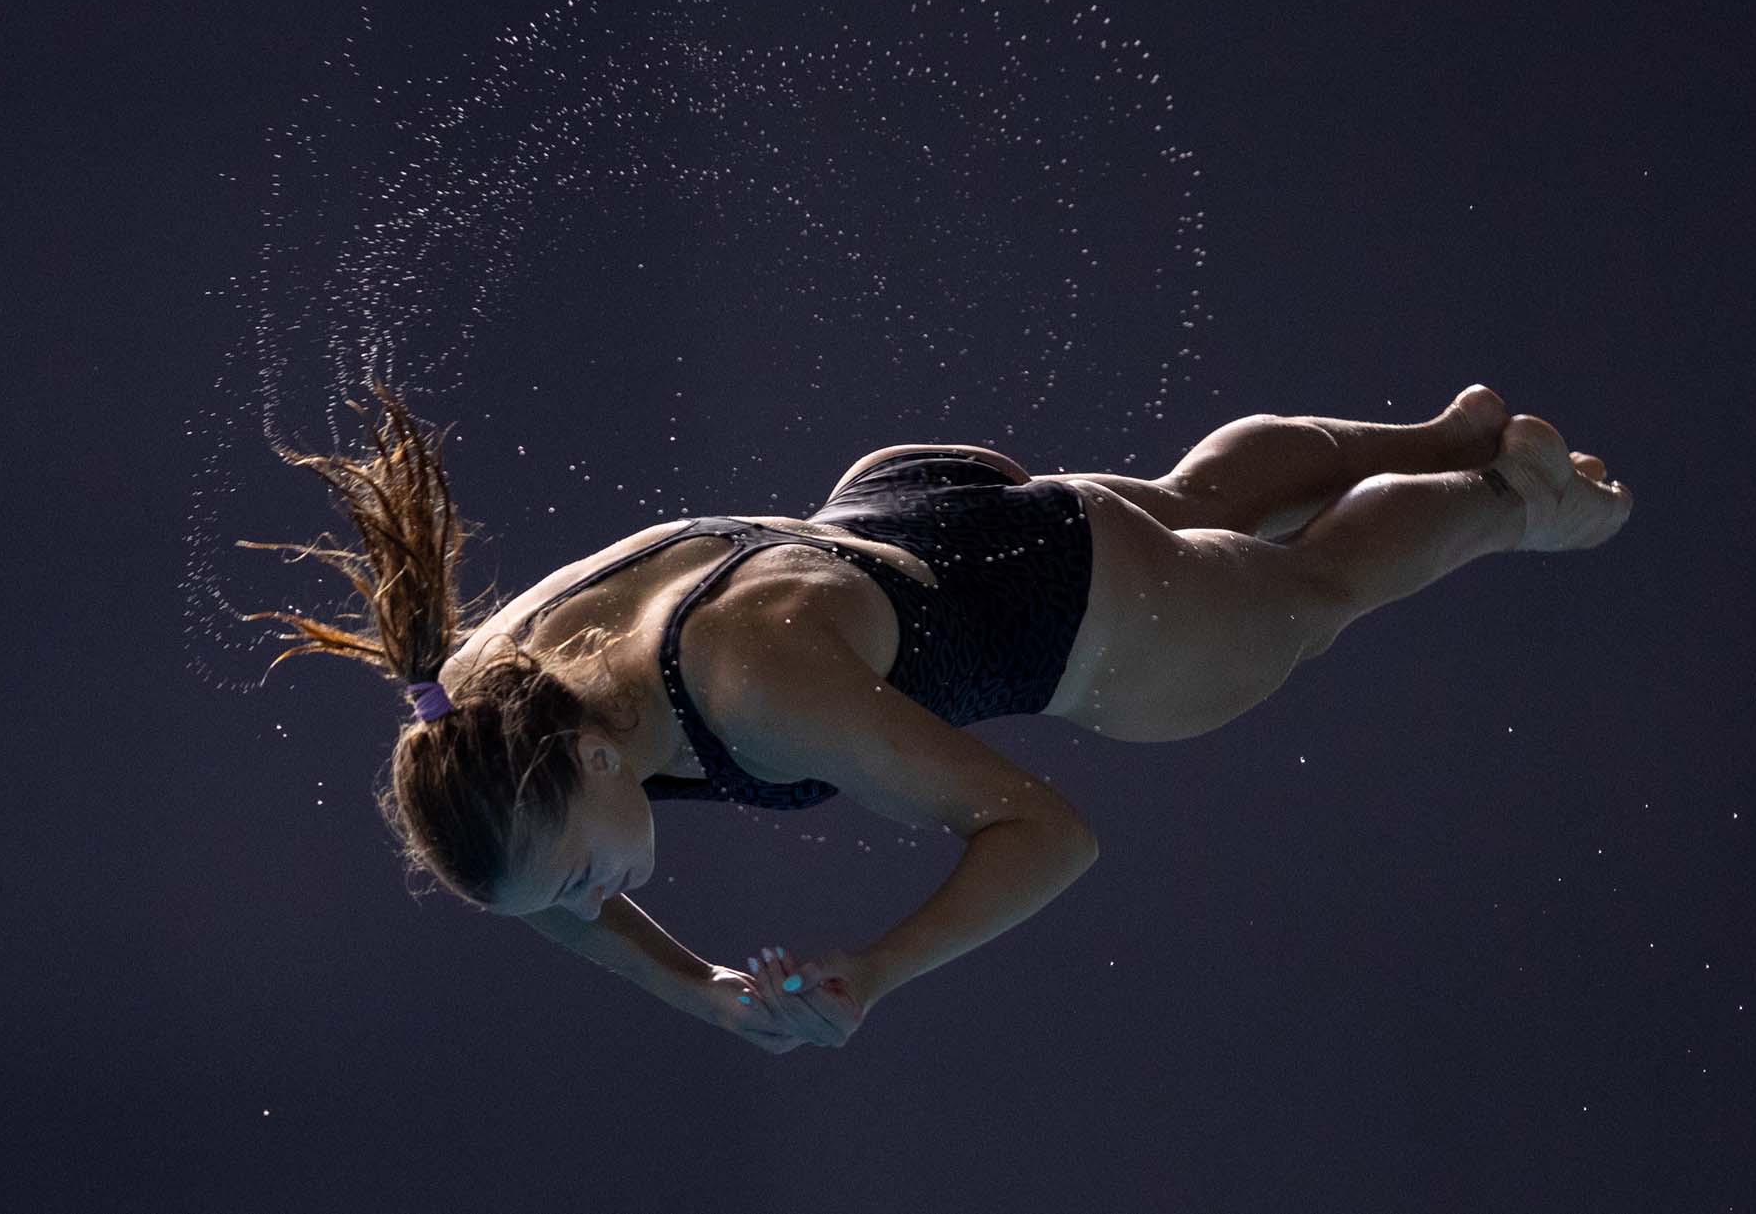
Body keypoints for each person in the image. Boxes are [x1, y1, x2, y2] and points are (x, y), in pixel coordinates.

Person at [241, 379, 1631, 1053]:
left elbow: (1045, 829)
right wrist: (700, 992)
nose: (599, 892)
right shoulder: (480, 696)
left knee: (1311, 587)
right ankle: (1450, 428)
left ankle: (1520, 500)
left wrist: (880, 970)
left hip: (1075, 617)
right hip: (912, 506)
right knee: (1194, 500)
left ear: (597, 758)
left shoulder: (750, 696)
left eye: (589, 862)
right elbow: (533, 884)